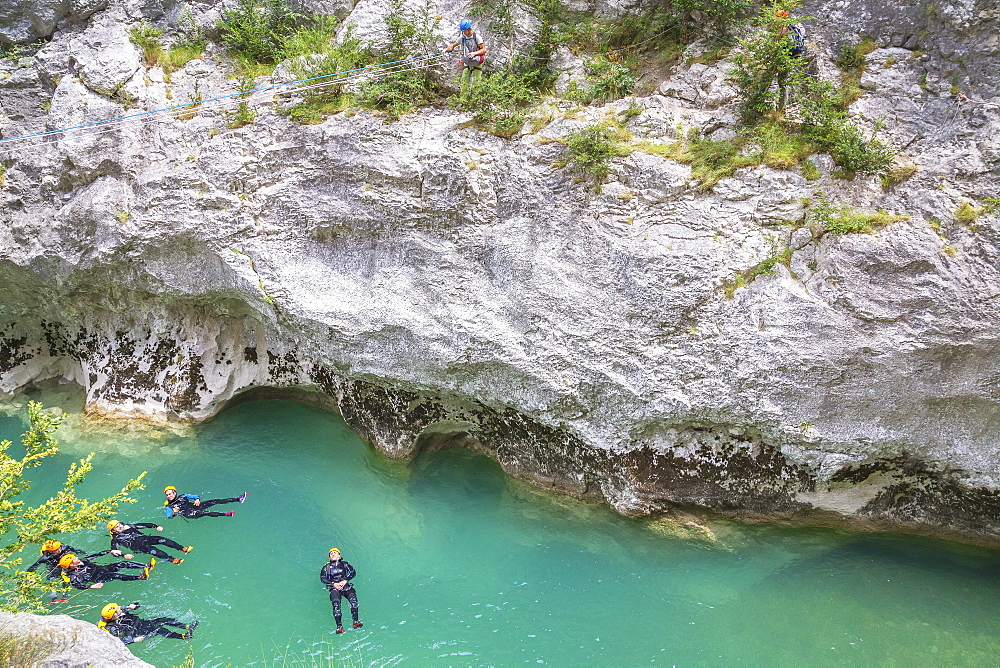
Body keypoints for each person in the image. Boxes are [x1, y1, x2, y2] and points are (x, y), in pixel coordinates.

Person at [98, 602, 198, 644]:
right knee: (159, 630)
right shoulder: (113, 627)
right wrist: (134, 640)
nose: (120, 607)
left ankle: (186, 626)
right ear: (114, 614)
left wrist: (133, 606)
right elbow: (119, 642)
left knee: (162, 619)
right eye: (117, 608)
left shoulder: (122, 612)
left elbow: (137, 605)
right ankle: (184, 636)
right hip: (139, 632)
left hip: (144, 623)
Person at [107, 520, 192, 564]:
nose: (120, 527)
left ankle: (182, 548)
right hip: (139, 547)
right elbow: (114, 552)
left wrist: (155, 526)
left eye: (120, 525)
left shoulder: (128, 526)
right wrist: (124, 555)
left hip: (146, 538)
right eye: (117, 527)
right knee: (155, 551)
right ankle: (172, 559)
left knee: (163, 540)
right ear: (114, 531)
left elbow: (143, 525)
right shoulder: (116, 539)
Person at [25, 539, 83, 603]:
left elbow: (75, 550)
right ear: (50, 551)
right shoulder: (46, 558)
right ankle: (53, 598)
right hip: (53, 566)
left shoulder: (65, 548)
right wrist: (29, 577)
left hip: (64, 563)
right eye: (55, 550)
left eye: (59, 548)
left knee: (66, 577)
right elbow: (32, 567)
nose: (58, 551)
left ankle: (65, 595)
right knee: (51, 578)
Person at [319, 548, 362, 633]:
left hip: (345, 586)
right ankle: (339, 627)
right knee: (336, 605)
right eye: (331, 554)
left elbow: (353, 572)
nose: (333, 554)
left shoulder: (345, 564)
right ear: (329, 558)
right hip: (334, 588)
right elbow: (323, 578)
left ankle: (355, 621)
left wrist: (345, 580)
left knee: (353, 602)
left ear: (339, 555)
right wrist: (333, 584)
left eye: (335, 553)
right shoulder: (326, 567)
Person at [59, 552, 154, 589]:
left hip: (101, 569)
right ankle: (140, 577)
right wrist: (91, 586)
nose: (77, 557)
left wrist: (110, 551)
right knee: (116, 575)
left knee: (122, 564)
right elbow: (78, 586)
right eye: (74, 559)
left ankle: (145, 566)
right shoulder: (74, 575)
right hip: (98, 577)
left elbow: (95, 555)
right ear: (71, 564)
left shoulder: (82, 561)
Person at [443, 19, 486, 102]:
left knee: (477, 83)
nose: (463, 33)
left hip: (477, 62)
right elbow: (453, 46)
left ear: (469, 29)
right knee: (464, 82)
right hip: (467, 62)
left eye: (464, 31)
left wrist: (474, 53)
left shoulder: (477, 37)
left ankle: (475, 102)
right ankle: (463, 102)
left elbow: (484, 50)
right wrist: (445, 50)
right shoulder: (462, 38)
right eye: (462, 31)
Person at [775, 10, 808, 109]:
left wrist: (768, 57)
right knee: (783, 82)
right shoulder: (796, 25)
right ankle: (782, 108)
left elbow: (776, 43)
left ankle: (780, 108)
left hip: (784, 57)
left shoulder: (784, 27)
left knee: (770, 78)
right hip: (795, 55)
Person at [163, 485, 247, 519]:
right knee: (205, 512)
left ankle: (238, 499)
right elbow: (169, 517)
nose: (169, 496)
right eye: (167, 495)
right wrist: (174, 512)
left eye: (170, 494)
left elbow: (196, 496)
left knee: (214, 501)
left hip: (195, 506)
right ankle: (227, 514)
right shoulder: (169, 506)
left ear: (175, 492)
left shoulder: (183, 496)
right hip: (189, 514)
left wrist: (197, 500)